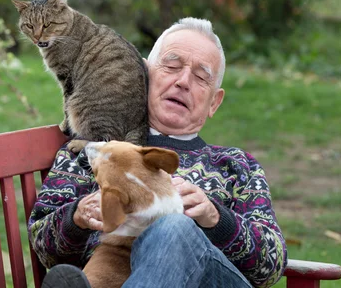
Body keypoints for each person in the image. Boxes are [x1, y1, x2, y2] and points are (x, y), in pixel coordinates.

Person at [28, 17, 288, 288]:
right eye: (172, 66)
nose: (183, 81)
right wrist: (78, 217)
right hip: (107, 275)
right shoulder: (91, 150)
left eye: (201, 76)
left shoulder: (236, 165)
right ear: (143, 74)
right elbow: (44, 247)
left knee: (174, 229)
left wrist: (215, 218)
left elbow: (270, 265)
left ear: (215, 102)